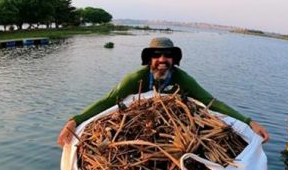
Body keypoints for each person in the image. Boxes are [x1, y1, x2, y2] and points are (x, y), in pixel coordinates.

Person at [57, 37, 269, 145]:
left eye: (167, 55)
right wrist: (75, 120)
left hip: (169, 127)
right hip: (135, 123)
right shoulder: (136, 78)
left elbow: (211, 101)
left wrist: (248, 121)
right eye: (157, 55)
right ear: (149, 59)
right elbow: (108, 100)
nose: (162, 60)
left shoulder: (181, 78)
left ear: (173, 60)